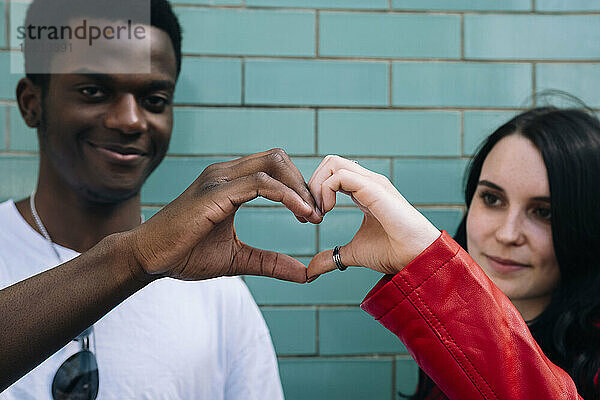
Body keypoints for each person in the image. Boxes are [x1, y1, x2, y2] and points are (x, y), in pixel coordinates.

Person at [0, 0, 320, 398]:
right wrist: (134, 259)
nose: (131, 120)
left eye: (154, 100)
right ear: (32, 103)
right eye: (94, 91)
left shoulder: (216, 289)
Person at [306, 107, 600, 399]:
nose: (507, 234)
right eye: (491, 198)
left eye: (543, 212)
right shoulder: (446, 344)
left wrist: (430, 267)